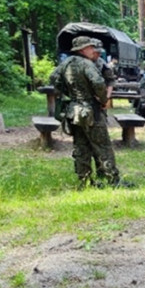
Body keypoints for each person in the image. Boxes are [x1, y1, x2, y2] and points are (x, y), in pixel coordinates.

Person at [49, 36, 125, 189]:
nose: (94, 50)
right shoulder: (87, 64)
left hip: (74, 111)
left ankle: (84, 180)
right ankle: (113, 180)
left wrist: (69, 93)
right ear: (83, 49)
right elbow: (98, 82)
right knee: (103, 145)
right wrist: (103, 99)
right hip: (91, 110)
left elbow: (54, 78)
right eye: (91, 47)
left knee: (81, 146)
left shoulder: (66, 63)